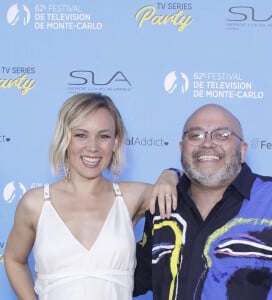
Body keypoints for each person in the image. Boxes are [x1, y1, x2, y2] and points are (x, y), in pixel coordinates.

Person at [4, 93, 178, 300]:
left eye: (103, 136)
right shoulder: (36, 203)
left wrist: (171, 174)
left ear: (115, 141)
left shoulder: (131, 197)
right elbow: (14, 259)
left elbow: (193, 189)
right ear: (65, 138)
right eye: (81, 135)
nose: (92, 147)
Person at [134, 103, 272, 299]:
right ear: (182, 148)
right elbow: (130, 278)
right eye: (195, 135)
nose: (207, 143)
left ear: (243, 150)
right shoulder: (162, 205)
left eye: (222, 135)